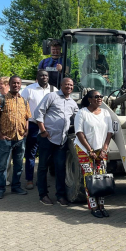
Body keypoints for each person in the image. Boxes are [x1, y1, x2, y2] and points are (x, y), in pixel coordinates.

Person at [34, 77, 79, 206]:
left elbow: (78, 118)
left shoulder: (72, 103)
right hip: (47, 138)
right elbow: (39, 112)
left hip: (61, 141)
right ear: (61, 85)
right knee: (43, 167)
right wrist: (43, 131)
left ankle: (60, 196)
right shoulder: (51, 96)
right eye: (67, 84)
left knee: (60, 168)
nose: (69, 87)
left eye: (71, 85)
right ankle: (43, 195)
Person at [0, 76, 31, 199]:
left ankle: (16, 186)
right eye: (14, 83)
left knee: (18, 164)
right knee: (2, 164)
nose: (16, 85)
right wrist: (0, 134)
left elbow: (27, 117)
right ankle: (0, 188)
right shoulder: (1, 100)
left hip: (20, 138)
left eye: (18, 83)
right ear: (10, 84)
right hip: (6, 138)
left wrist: (26, 131)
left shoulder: (24, 101)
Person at [74, 90, 114, 218]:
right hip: (84, 149)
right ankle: (93, 206)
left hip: (101, 150)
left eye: (101, 96)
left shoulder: (106, 113)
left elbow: (110, 132)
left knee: (101, 177)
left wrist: (104, 149)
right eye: (96, 97)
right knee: (90, 177)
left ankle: (102, 205)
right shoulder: (82, 113)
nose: (100, 98)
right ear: (89, 99)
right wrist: (90, 150)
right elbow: (79, 133)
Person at [20, 70, 52, 190]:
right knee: (31, 154)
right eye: (41, 75)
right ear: (37, 77)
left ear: (48, 77)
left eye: (46, 75)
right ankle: (29, 179)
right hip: (33, 125)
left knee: (45, 155)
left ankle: (41, 180)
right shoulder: (29, 89)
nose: (44, 77)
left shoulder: (53, 90)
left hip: (48, 126)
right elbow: (21, 107)